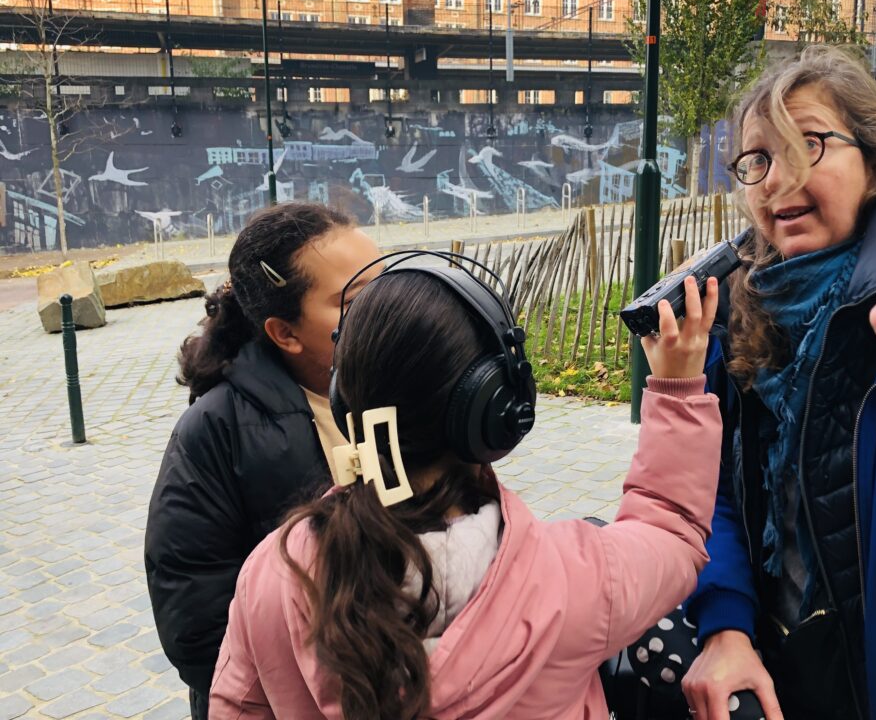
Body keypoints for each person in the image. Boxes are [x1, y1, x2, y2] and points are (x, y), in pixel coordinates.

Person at [629, 45, 876, 719]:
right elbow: (715, 491)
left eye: (808, 144)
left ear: (875, 161)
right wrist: (726, 627)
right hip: (785, 682)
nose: (777, 178)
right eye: (758, 159)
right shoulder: (741, 318)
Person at [208, 260, 723, 719]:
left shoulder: (274, 572)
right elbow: (672, 531)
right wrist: (676, 389)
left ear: (346, 396)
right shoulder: (576, 579)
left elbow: (239, 705)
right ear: (495, 410)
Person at [144, 202, 382, 719]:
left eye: (387, 285)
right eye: (356, 300)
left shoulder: (403, 390)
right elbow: (196, 622)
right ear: (284, 333)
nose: (387, 309)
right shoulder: (213, 432)